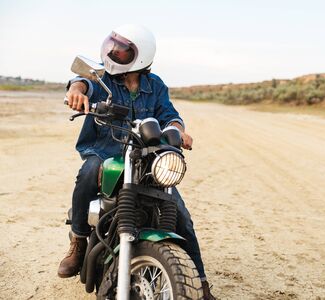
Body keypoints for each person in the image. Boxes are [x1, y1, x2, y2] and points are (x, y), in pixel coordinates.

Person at [57, 24, 215, 299]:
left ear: (140, 56)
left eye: (121, 49)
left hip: (145, 157)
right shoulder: (105, 79)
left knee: (181, 215)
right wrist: (77, 90)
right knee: (88, 171)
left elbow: (171, 116)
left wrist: (178, 131)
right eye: (113, 46)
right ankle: (79, 240)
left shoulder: (155, 86)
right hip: (105, 151)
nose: (113, 52)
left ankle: (199, 282)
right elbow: (83, 82)